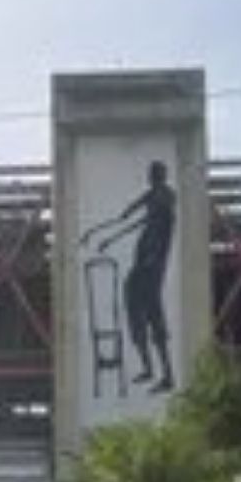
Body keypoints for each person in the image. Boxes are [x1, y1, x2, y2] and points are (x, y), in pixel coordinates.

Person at [82, 161, 176, 393]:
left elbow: (150, 216)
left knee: (153, 316)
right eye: (150, 176)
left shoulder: (165, 203)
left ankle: (166, 375)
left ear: (161, 177)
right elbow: (135, 212)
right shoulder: (154, 200)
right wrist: (110, 233)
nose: (151, 180)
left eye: (154, 175)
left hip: (150, 269)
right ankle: (149, 368)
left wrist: (150, 257)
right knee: (135, 313)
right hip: (142, 265)